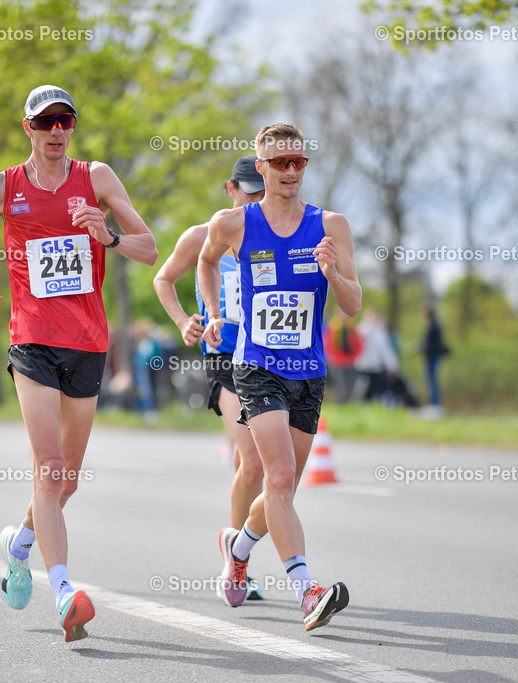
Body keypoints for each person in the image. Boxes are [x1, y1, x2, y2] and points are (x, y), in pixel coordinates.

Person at [0, 84, 157, 642]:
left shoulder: (96, 178)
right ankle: (64, 592)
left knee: (66, 481)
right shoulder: (1, 187)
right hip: (31, 339)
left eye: (64, 122)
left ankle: (19, 545)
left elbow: (149, 247)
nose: (56, 131)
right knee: (48, 467)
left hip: (88, 342)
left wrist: (108, 235)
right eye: (45, 122)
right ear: (27, 127)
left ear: (71, 127)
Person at [199, 124, 362, 631]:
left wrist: (333, 273)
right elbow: (205, 263)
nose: (291, 172)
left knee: (282, 491)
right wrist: (212, 313)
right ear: (262, 167)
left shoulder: (331, 225)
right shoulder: (233, 224)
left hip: (309, 371)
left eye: (299, 162)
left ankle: (238, 547)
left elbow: (354, 306)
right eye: (281, 163)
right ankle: (307, 589)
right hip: (256, 365)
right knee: (281, 478)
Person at [152, 155, 267, 603]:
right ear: (230, 190)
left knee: (248, 464)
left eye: (263, 193)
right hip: (224, 359)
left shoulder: (271, 234)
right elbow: (164, 279)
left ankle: (234, 545)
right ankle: (238, 562)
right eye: (249, 192)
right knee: (254, 461)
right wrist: (184, 321)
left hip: (267, 359)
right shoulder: (202, 236)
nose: (256, 200)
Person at [352, 309, 399, 404]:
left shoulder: (379, 332)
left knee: (376, 390)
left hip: (375, 366)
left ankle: (374, 404)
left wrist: (392, 365)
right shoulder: (360, 330)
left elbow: (385, 350)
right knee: (363, 389)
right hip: (363, 365)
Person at [422, 307, 449, 413]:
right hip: (431, 356)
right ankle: (434, 404)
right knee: (432, 380)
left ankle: (435, 405)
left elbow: (434, 343)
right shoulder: (433, 325)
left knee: (432, 380)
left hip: (432, 356)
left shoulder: (434, 327)